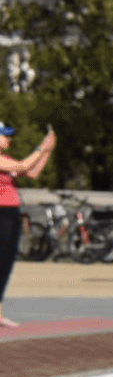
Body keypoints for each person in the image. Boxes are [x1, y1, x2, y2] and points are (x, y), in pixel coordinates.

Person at [0, 123, 56, 328]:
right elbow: (23, 166)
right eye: (4, 135)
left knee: (6, 263)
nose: (8, 139)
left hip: (11, 214)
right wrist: (41, 148)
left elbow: (31, 173)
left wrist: (48, 150)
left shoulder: (6, 160)